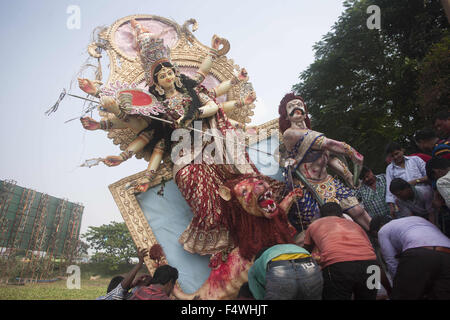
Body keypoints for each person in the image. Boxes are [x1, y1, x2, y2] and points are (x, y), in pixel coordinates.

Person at [99, 19, 259, 259]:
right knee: (190, 181)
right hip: (183, 153)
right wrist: (117, 124)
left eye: (168, 71)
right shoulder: (156, 109)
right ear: (156, 82)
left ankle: (248, 222)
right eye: (160, 73)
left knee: (235, 176)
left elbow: (214, 106)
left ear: (175, 73)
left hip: (209, 141)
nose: (166, 75)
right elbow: (149, 135)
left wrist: (192, 114)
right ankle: (221, 242)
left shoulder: (194, 92)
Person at [278, 93, 372, 232]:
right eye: (291, 106)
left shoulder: (313, 133)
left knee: (358, 211)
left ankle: (378, 236)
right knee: (323, 223)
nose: (296, 108)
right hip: (307, 186)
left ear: (305, 110)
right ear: (286, 115)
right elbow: (329, 144)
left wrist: (348, 176)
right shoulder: (290, 134)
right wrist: (352, 153)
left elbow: (330, 158)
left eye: (299, 105)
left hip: (328, 181)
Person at [303, 202, 379, 300]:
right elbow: (370, 249)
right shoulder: (355, 225)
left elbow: (305, 252)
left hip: (339, 266)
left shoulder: (315, 224)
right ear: (341, 215)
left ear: (321, 216)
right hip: (372, 265)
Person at [370, 215, 450, 300]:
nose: (377, 240)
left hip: (419, 252)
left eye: (375, 236)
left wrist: (398, 287)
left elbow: (391, 261)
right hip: (447, 252)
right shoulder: (416, 219)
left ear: (380, 226)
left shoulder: (382, 231)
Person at [247, 244, 323, 300]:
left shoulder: (256, 265)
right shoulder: (286, 248)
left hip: (279, 268)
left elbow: (259, 294)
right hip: (308, 264)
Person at [384, 142, 432, 217]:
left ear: (402, 150)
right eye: (392, 156)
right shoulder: (390, 169)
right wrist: (391, 206)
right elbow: (390, 189)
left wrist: (416, 181)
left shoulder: (415, 160)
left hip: (426, 196)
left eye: (397, 153)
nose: (395, 157)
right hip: (407, 202)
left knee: (433, 216)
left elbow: (430, 175)